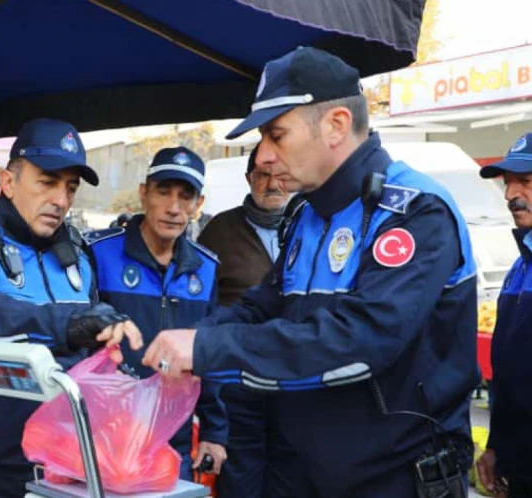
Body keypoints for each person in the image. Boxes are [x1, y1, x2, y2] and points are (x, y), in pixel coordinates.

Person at [141, 47, 479, 497]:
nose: (262, 156)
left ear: (336, 125)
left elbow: (363, 339)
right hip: (302, 473)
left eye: (276, 135)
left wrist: (208, 348)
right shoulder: (308, 216)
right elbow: (261, 308)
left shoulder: (414, 211)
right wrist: (187, 340)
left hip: (393, 481)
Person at [0, 118, 143, 498]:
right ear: (8, 181)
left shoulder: (79, 259)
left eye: (70, 188)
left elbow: (89, 349)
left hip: (57, 465)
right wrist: (67, 324)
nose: (61, 200)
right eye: (47, 182)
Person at [86, 146, 228, 480]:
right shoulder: (99, 253)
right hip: (106, 436)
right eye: (163, 192)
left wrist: (214, 432)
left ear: (199, 205)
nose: (174, 208)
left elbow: (210, 354)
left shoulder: (205, 269)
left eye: (185, 196)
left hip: (173, 442)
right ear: (143, 194)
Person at [196, 144, 296, 497]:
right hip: (238, 388)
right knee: (242, 486)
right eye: (263, 176)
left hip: (296, 386)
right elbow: (205, 311)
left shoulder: (310, 228)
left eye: (281, 176)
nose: (273, 184)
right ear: (248, 178)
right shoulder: (219, 233)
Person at [476, 133, 532, 498]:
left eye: (525, 181)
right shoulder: (518, 267)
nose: (512, 194)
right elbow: (509, 376)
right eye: (507, 182)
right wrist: (497, 445)